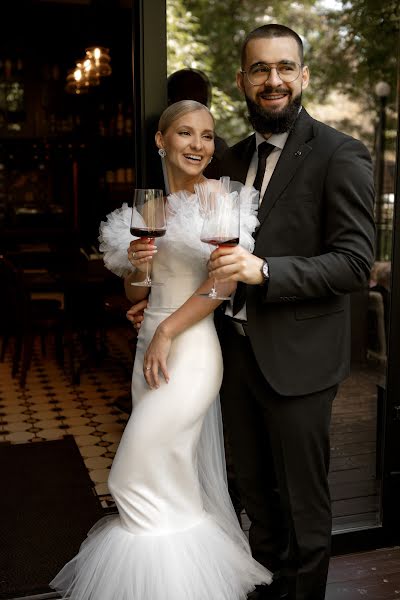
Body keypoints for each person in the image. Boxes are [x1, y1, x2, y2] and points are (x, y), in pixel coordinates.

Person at [129, 24, 375, 600]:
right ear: (242, 80)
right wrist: (155, 298)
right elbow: (192, 248)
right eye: (260, 69)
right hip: (230, 357)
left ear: (303, 76)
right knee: (255, 500)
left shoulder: (341, 153)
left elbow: (354, 264)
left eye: (285, 68)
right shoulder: (229, 158)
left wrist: (266, 271)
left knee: (302, 508)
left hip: (300, 363)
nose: (273, 80)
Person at [49, 99, 272, 599]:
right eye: (186, 134)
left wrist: (169, 330)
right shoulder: (152, 208)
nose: (198, 145)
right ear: (161, 140)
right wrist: (138, 264)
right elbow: (136, 292)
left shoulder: (219, 198)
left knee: (131, 475)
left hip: (189, 351)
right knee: (168, 475)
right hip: (148, 344)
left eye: (208, 136)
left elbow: (223, 287)